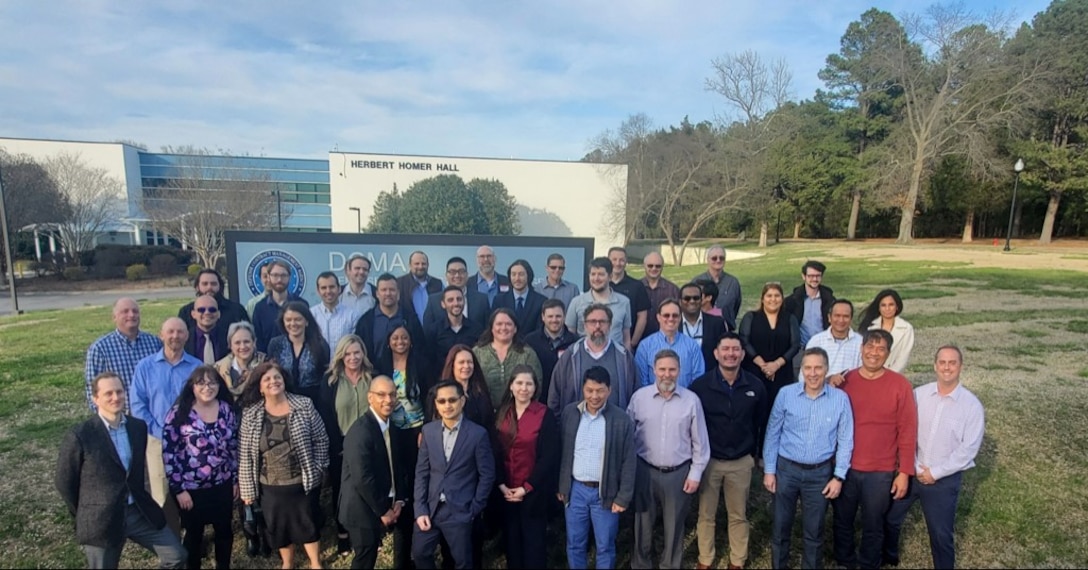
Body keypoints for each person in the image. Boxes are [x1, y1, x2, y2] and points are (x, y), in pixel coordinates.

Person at [56, 372, 187, 569]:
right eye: (108, 393)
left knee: (176, 555)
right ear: (95, 398)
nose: (116, 397)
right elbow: (65, 481)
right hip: (102, 518)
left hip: (137, 511)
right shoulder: (81, 434)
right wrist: (84, 512)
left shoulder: (137, 427)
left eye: (119, 391)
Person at [883, 346, 985, 569]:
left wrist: (935, 473)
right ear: (935, 365)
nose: (947, 367)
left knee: (940, 534)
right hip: (912, 471)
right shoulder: (918, 395)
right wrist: (915, 466)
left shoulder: (971, 406)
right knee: (890, 518)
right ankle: (888, 557)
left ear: (961, 366)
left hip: (943, 480)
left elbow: (968, 450)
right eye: (942, 362)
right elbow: (905, 429)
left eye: (952, 363)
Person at [833, 329, 917, 570]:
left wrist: (904, 473)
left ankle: (869, 563)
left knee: (873, 523)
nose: (874, 353)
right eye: (870, 347)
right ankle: (845, 561)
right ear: (861, 349)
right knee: (842, 520)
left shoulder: (900, 385)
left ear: (888, 354)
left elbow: (907, 430)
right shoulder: (845, 381)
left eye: (881, 349)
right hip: (846, 467)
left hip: (880, 470)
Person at [763, 348, 854, 570]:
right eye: (808, 368)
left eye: (818, 368)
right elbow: (772, 432)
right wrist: (769, 470)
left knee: (814, 532)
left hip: (820, 474)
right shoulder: (786, 394)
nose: (813, 373)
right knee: (781, 528)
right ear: (801, 370)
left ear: (826, 369)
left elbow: (846, 440)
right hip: (787, 470)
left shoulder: (840, 399)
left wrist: (839, 476)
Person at [238, 361, 329, 570]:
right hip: (269, 486)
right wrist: (247, 490)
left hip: (302, 482)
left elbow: (321, 439)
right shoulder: (250, 414)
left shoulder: (303, 405)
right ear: (260, 387)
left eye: (277, 377)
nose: (273, 382)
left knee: (308, 524)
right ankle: (287, 563)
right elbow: (245, 455)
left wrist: (319, 468)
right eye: (267, 379)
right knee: (278, 528)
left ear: (284, 380)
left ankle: (315, 562)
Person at [689, 332, 769, 570]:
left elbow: (761, 422)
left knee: (738, 515)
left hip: (741, 461)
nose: (731, 354)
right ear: (716, 353)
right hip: (709, 461)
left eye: (736, 349)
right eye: (725, 349)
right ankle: (705, 559)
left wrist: (756, 455)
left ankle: (737, 560)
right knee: (706, 515)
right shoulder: (701, 387)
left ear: (743, 354)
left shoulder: (755, 386)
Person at [627, 350, 710, 570]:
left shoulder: (691, 401)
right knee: (642, 525)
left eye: (672, 369)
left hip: (678, 474)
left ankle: (670, 565)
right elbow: (628, 437)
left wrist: (695, 473)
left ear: (679, 371)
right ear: (654, 370)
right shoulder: (639, 398)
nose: (667, 374)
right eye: (662, 369)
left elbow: (700, 443)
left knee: (674, 527)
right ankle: (641, 565)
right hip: (644, 470)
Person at [557, 366, 637, 570]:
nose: (594, 396)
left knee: (605, 546)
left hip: (606, 493)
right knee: (575, 544)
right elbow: (562, 452)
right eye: (590, 390)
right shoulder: (570, 413)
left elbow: (629, 461)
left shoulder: (621, 420)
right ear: (582, 389)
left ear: (609, 390)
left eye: (600, 390)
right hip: (576, 491)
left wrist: (623, 497)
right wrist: (562, 486)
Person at [412, 380, 497, 569]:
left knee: (463, 562)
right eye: (441, 401)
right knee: (420, 553)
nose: (447, 405)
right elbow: (422, 472)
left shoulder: (477, 434)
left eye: (452, 400)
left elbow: (487, 475)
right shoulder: (428, 431)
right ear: (436, 404)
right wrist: (420, 509)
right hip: (430, 509)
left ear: (462, 401)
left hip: (460, 511)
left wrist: (474, 508)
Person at [161, 365, 239, 570]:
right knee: (194, 535)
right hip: (191, 489)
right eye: (201, 383)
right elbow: (170, 454)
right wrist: (178, 490)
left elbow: (233, 448)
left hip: (222, 484)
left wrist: (235, 480)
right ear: (192, 387)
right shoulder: (179, 413)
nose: (207, 387)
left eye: (212, 382)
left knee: (224, 531)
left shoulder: (226, 409)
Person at [130, 318, 203, 528]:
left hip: (190, 440)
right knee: (162, 491)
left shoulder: (196, 367)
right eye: (170, 332)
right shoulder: (145, 367)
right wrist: (160, 432)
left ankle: (193, 536)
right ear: (161, 335)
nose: (175, 336)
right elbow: (138, 404)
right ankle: (170, 535)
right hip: (156, 439)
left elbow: (203, 401)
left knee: (192, 486)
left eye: (180, 332)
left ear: (186, 336)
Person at [339, 375, 413, 570]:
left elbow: (397, 466)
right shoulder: (360, 432)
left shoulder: (391, 427)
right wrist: (383, 510)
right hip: (360, 506)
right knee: (365, 557)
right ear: (369, 397)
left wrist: (399, 499)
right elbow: (362, 478)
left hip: (382, 499)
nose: (388, 400)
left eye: (392, 395)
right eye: (381, 395)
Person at [493, 365, 560, 569]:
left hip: (533, 491)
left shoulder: (544, 414)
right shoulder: (501, 413)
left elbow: (549, 456)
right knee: (512, 543)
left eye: (529, 383)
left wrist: (527, 487)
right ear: (511, 386)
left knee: (534, 545)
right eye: (519, 383)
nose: (524, 388)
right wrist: (502, 485)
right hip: (506, 491)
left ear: (535, 387)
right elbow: (494, 451)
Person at [321, 334, 377, 557]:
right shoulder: (330, 381)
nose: (353, 357)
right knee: (342, 491)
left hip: (370, 445)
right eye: (348, 353)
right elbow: (326, 416)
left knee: (370, 486)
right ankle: (343, 534)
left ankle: (371, 531)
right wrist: (337, 444)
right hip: (340, 445)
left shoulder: (373, 377)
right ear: (341, 356)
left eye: (357, 352)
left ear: (363, 353)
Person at [549, 304, 638, 415]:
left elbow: (636, 397)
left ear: (610, 325)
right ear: (585, 326)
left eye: (602, 322)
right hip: (576, 428)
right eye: (592, 322)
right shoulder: (570, 356)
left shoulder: (624, 357)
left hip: (614, 428)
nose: (597, 326)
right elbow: (554, 395)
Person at [85, 298, 163, 412]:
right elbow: (91, 388)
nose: (131, 315)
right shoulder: (100, 348)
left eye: (135, 311)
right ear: (114, 317)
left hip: (151, 413)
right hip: (119, 415)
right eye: (125, 311)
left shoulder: (154, 343)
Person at [739, 282, 801, 408]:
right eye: (769, 296)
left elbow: (795, 344)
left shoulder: (790, 318)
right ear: (762, 299)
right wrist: (764, 365)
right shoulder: (751, 317)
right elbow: (744, 341)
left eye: (777, 296)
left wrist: (776, 365)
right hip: (754, 371)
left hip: (782, 372)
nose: (773, 299)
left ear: (782, 299)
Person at [473, 308, 544, 408]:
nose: (504, 327)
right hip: (483, 414)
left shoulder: (527, 354)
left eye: (508, 324)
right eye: (499, 324)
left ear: (515, 329)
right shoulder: (478, 352)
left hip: (518, 413)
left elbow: (537, 385)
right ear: (492, 328)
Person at [266, 301, 331, 404]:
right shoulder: (275, 344)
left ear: (306, 321)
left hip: (314, 403)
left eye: (298, 319)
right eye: (288, 320)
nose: (293, 324)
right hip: (283, 402)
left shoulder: (320, 345)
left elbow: (324, 379)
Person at [353, 273, 425, 364]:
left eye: (392, 290)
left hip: (403, 375)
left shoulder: (411, 319)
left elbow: (421, 349)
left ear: (398, 293)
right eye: (384, 290)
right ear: (377, 294)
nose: (388, 293)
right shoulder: (366, 321)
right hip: (374, 374)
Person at [375, 324, 429, 442]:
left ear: (411, 341)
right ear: (388, 342)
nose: (400, 341)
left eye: (404, 337)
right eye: (395, 338)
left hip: (418, 428)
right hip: (391, 428)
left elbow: (429, 397)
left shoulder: (421, 364)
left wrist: (425, 428)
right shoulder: (381, 366)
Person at [565, 257, 633, 349]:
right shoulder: (576, 302)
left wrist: (626, 359)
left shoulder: (624, 302)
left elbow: (626, 338)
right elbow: (569, 336)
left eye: (601, 274)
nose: (596, 278)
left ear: (610, 277)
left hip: (615, 358)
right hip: (585, 358)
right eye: (593, 274)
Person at [635, 299, 705, 388]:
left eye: (675, 315)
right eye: (666, 315)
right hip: (653, 400)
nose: (671, 319)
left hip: (684, 400)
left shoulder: (692, 346)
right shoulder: (645, 346)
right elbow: (641, 380)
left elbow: (698, 380)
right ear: (658, 317)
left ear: (680, 318)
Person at [523, 298, 579, 402]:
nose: (554, 320)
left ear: (564, 317)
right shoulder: (530, 341)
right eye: (550, 316)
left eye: (558, 316)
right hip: (538, 398)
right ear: (543, 317)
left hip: (566, 398)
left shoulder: (576, 342)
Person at [252, 260, 308, 353]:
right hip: (269, 363)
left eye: (283, 275)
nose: (279, 279)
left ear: (289, 277)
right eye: (275, 275)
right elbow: (257, 341)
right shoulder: (260, 308)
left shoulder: (301, 304)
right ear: (269, 277)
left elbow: (309, 334)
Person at [424, 285, 484, 372]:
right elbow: (429, 361)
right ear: (443, 304)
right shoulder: (433, 330)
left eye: (459, 299)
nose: (456, 303)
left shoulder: (476, 329)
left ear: (464, 302)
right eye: (450, 300)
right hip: (442, 381)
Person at [422, 256, 490, 330]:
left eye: (461, 271)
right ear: (446, 275)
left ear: (467, 275)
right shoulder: (434, 300)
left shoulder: (482, 299)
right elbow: (427, 330)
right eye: (452, 272)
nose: (457, 275)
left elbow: (487, 329)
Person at [805, 299, 862, 386]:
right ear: (829, 317)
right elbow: (804, 375)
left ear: (851, 319)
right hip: (820, 391)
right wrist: (828, 379)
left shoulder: (861, 342)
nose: (841, 320)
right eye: (837, 315)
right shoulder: (816, 341)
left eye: (846, 316)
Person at [784, 261, 835, 354]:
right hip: (801, 349)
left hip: (824, 349)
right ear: (803, 276)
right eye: (811, 276)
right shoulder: (793, 300)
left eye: (818, 276)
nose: (814, 279)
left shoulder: (829, 300)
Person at [437, 345, 495, 428]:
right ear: (452, 365)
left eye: (470, 362)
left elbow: (489, 422)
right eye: (461, 362)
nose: (466, 366)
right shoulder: (439, 392)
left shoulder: (481, 392)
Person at [859, 289, 915, 373]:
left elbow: (903, 358)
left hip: (893, 375)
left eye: (891, 305)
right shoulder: (869, 326)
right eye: (883, 305)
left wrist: (887, 376)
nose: (887, 309)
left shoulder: (906, 328)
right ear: (879, 308)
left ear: (897, 307)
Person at [178, 268, 250, 332]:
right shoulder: (186, 312)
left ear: (220, 286)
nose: (209, 287)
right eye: (205, 284)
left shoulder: (236, 310)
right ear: (197, 287)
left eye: (213, 284)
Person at [679, 281, 728, 372]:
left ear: (701, 300)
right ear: (680, 301)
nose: (692, 301)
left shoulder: (717, 323)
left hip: (709, 378)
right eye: (687, 298)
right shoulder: (673, 324)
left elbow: (724, 352)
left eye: (696, 298)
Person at [607, 247, 651, 347]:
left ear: (626, 262)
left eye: (622, 260)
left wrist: (632, 343)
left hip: (626, 344)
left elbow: (642, 317)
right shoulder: (600, 284)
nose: (618, 263)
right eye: (614, 259)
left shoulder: (637, 286)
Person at [693, 245, 742, 331]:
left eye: (721, 258)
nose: (718, 260)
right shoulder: (697, 282)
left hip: (726, 332)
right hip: (701, 330)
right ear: (708, 260)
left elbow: (736, 307)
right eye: (714, 258)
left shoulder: (733, 283)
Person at [493, 259, 547, 337]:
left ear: (528, 276)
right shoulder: (499, 300)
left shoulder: (541, 301)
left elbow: (540, 330)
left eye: (521, 274)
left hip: (532, 346)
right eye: (513, 274)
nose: (517, 278)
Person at [214, 321, 267, 400]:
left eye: (246, 341)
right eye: (237, 343)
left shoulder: (266, 365)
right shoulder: (218, 369)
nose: (242, 346)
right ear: (230, 345)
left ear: (254, 342)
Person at [311, 271, 361, 353]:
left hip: (344, 364)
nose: (328, 291)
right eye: (323, 288)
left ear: (339, 289)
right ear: (318, 291)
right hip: (318, 365)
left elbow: (355, 346)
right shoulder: (311, 314)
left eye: (332, 287)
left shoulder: (352, 315)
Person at [640, 251, 680, 337]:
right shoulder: (636, 287)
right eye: (650, 265)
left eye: (658, 266)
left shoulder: (673, 290)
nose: (654, 268)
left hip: (665, 338)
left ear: (662, 267)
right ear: (644, 266)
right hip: (639, 338)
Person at [397, 251, 443, 325]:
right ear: (410, 265)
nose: (420, 267)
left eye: (423, 264)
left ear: (428, 265)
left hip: (434, 332)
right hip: (409, 333)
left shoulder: (438, 284)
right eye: (417, 264)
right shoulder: (399, 283)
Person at [184, 295, 229, 364]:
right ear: (193, 314)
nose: (207, 313)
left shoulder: (228, 337)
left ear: (218, 314)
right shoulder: (184, 339)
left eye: (212, 310)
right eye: (201, 310)